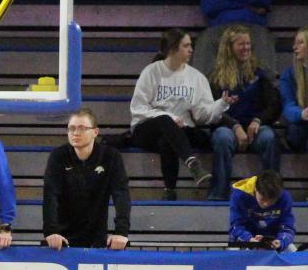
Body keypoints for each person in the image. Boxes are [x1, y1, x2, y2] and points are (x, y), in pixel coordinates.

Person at [130, 29, 235, 200]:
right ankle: (192, 163)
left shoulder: (196, 77)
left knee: (168, 139)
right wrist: (170, 118)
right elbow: (138, 108)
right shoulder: (151, 72)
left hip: (180, 132)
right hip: (148, 128)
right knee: (164, 120)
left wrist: (221, 104)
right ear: (172, 49)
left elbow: (202, 115)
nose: (191, 49)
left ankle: (169, 191)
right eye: (186, 46)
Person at [207, 26, 281, 201]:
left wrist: (258, 120)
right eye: (241, 44)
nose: (246, 48)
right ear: (229, 48)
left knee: (270, 138)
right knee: (222, 138)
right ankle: (219, 195)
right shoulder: (216, 78)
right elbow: (211, 111)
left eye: (248, 44)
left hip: (256, 129)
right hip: (227, 127)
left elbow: (274, 105)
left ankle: (271, 194)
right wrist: (234, 125)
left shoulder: (259, 73)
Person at [42, 109, 130, 249]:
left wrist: (121, 232)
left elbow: (121, 194)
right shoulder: (58, 156)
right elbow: (50, 194)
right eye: (71, 128)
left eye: (82, 128)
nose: (76, 133)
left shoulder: (111, 156)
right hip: (62, 240)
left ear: (95, 132)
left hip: (97, 239)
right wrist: (51, 232)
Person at [228, 170, 296, 252]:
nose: (266, 204)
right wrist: (249, 239)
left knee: (292, 250)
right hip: (247, 240)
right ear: (256, 189)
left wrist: (280, 241)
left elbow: (287, 227)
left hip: (274, 240)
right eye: (263, 199)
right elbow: (236, 227)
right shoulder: (239, 195)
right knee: (234, 252)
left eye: (271, 200)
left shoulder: (285, 197)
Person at [279, 26, 308, 153]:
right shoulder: (289, 75)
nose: (294, 47)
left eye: (300, 43)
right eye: (294, 43)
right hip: (302, 123)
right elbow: (287, 106)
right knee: (295, 132)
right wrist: (302, 113)